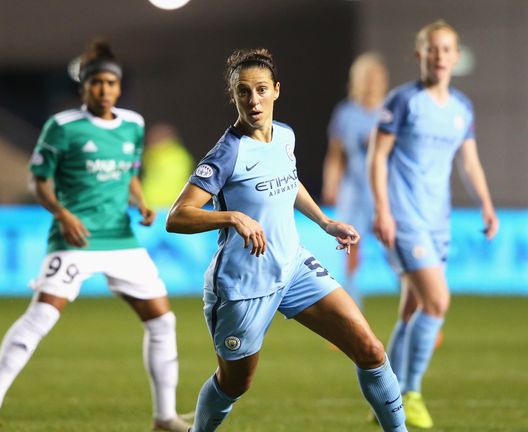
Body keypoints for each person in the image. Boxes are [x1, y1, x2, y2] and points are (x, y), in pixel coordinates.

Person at [166, 48, 408, 432]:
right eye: (244, 92)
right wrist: (232, 216)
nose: (254, 100)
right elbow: (177, 216)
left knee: (371, 350)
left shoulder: (284, 136)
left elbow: (289, 181)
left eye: (261, 89)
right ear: (234, 96)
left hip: (293, 266)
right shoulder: (227, 153)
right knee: (234, 384)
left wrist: (325, 222)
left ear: (276, 90)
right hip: (244, 284)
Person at [0, 40, 191, 432]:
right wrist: (62, 214)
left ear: (119, 87)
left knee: (162, 321)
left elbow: (129, 173)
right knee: (40, 316)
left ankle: (164, 417)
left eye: (111, 83)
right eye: (96, 83)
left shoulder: (133, 125)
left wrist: (140, 201)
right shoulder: (63, 127)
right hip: (77, 237)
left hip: (120, 238)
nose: (104, 90)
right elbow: (38, 181)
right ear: (84, 87)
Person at [367, 20, 499, 429]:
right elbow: (377, 157)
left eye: (446, 49)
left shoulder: (461, 108)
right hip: (405, 218)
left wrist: (486, 204)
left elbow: (469, 162)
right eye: (432, 49)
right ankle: (411, 394)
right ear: (419, 55)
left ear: (456, 57)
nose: (439, 56)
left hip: (437, 220)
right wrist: (383, 210)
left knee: (412, 309)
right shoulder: (403, 101)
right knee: (437, 301)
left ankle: (385, 400)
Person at [322, 52, 388, 307]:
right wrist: (331, 183)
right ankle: (351, 307)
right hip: (354, 191)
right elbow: (336, 154)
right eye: (366, 76)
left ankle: (414, 305)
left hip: (385, 192)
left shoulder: (390, 112)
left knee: (395, 247)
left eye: (375, 76)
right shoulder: (345, 113)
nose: (371, 82)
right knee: (350, 247)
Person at [141, 123, 194, 208]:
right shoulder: (183, 155)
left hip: (160, 204)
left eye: (155, 138)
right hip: (172, 204)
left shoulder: (155, 154)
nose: (150, 142)